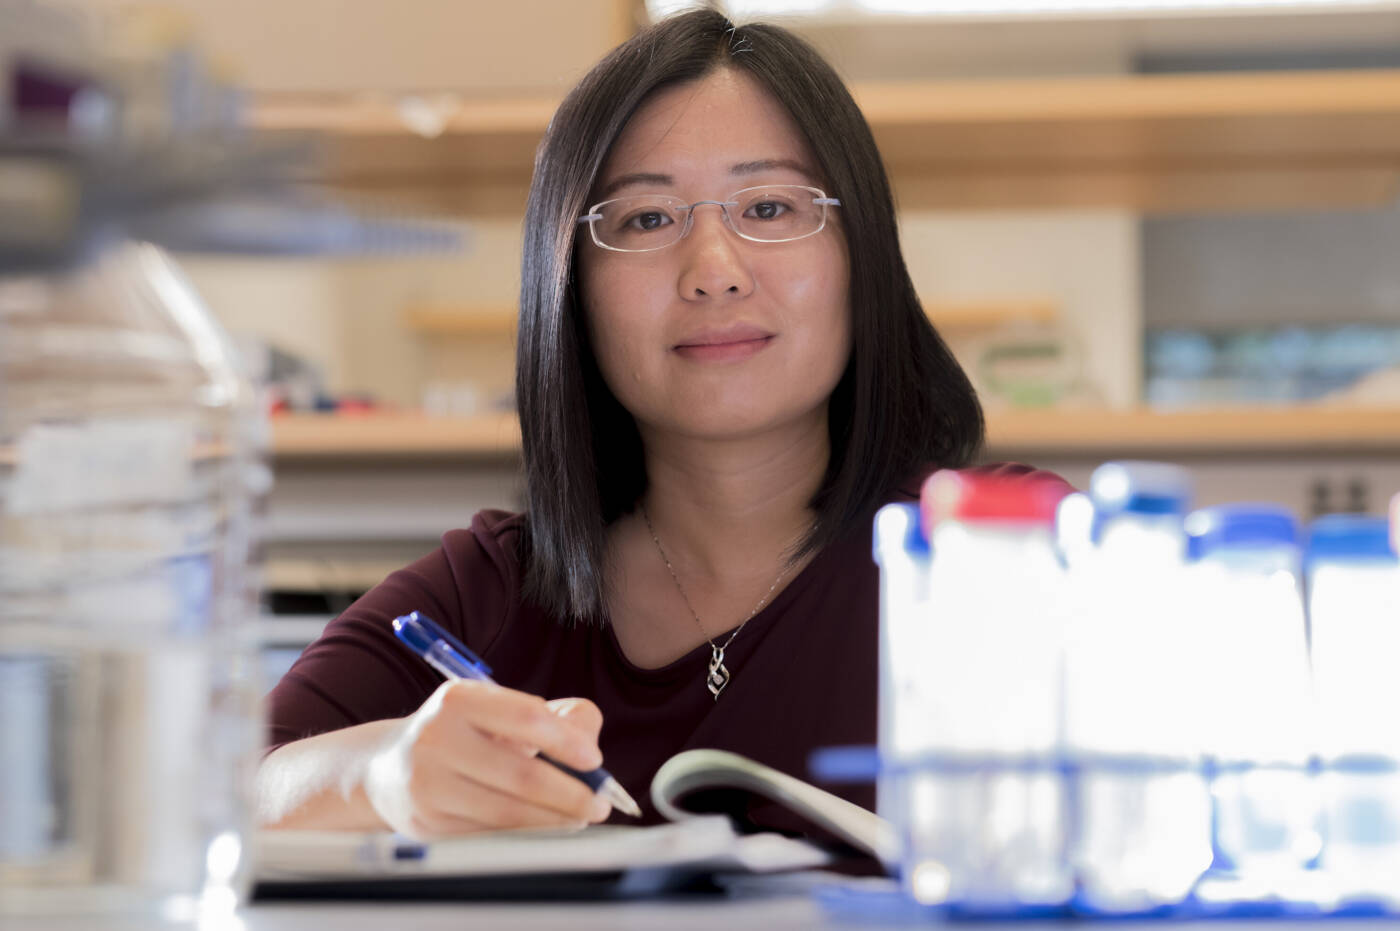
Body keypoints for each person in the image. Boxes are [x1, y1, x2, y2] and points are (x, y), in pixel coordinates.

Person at [256, 8, 1057, 840]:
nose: (714, 271)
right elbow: (221, 787)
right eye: (645, 219)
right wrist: (380, 778)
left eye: (773, 207)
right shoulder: (488, 593)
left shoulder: (1002, 549)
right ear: (569, 288)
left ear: (864, 257)